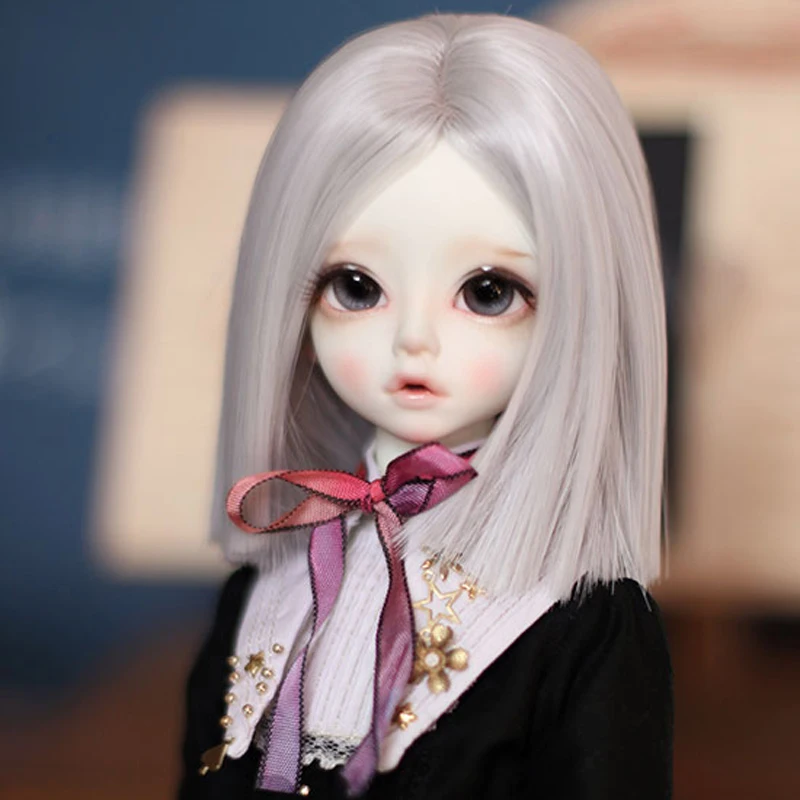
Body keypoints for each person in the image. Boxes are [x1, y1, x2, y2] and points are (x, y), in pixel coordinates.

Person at [179, 13, 673, 799]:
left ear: (582, 306)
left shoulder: (581, 619)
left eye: (488, 292)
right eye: (356, 287)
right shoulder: (271, 582)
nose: (414, 339)